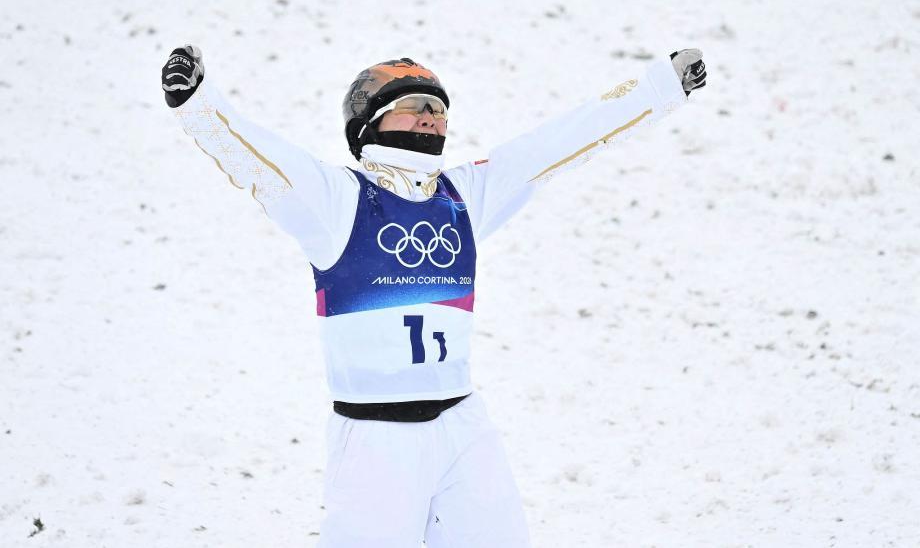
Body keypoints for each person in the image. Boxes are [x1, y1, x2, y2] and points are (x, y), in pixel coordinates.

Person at [161, 45, 706, 547]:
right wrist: (196, 102)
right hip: (375, 440)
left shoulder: (464, 196)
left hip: (465, 429)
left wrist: (661, 88)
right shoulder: (336, 201)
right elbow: (259, 155)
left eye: (439, 107)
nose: (432, 115)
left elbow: (559, 143)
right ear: (369, 121)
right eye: (413, 104)